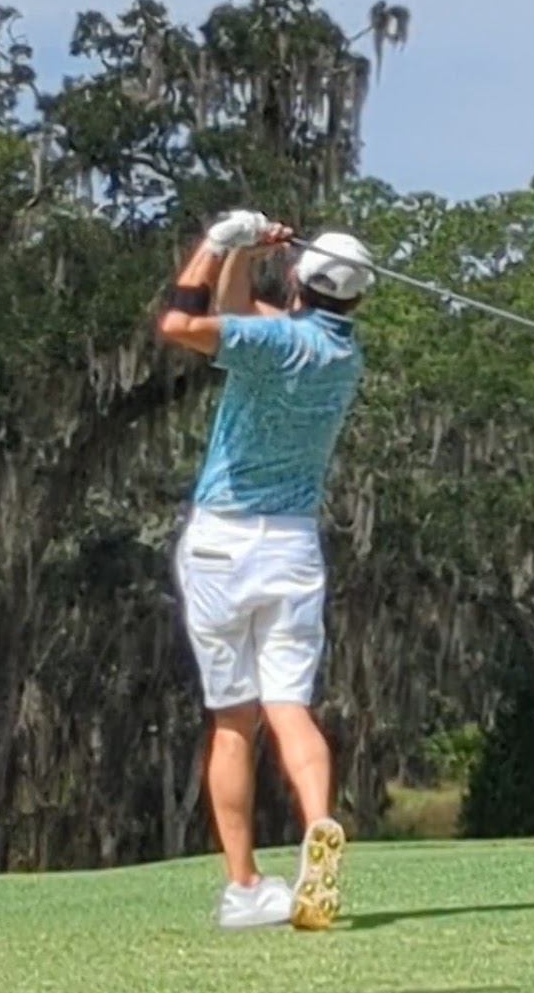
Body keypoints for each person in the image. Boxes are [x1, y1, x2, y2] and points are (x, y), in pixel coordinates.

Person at [154, 208, 375, 931]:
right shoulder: (341, 356)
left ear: (303, 283)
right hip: (292, 546)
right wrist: (249, 253)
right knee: (289, 707)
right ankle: (317, 823)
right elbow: (239, 316)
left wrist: (218, 242)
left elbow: (183, 325)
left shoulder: (276, 341)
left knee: (232, 720)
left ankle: (245, 885)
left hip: (222, 541)